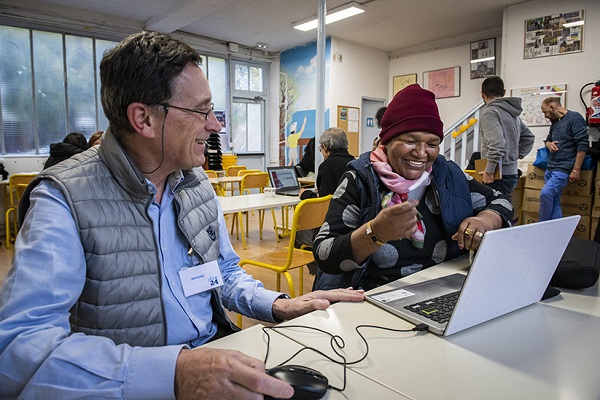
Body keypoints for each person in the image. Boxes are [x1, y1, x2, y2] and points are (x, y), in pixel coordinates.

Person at [0, 31, 365, 399]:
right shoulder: (64, 198)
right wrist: (172, 373)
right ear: (143, 118)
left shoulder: (196, 184)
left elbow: (221, 274)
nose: (216, 125)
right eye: (201, 111)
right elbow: (18, 351)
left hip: (215, 357)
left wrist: (277, 305)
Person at [311, 84, 514, 291]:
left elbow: (501, 201)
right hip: (377, 295)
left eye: (432, 144)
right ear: (386, 141)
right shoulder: (360, 181)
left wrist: (485, 219)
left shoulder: (448, 174)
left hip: (446, 288)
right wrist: (375, 233)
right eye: (410, 141)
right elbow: (324, 254)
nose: (421, 153)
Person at [479, 76, 534, 195]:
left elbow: (497, 145)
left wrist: (489, 171)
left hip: (497, 176)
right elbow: (529, 138)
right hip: (512, 173)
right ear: (503, 92)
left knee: (494, 211)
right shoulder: (512, 114)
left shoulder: (490, 113)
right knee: (504, 209)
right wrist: (515, 154)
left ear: (482, 95)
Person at [539, 97, 589, 221]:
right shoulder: (556, 122)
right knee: (554, 200)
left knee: (545, 194)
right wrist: (549, 144)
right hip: (551, 166)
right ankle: (556, 231)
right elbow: (548, 139)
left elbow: (583, 146)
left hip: (563, 168)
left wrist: (576, 170)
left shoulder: (575, 118)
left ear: (552, 107)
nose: (545, 116)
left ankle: (541, 228)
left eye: (545, 112)